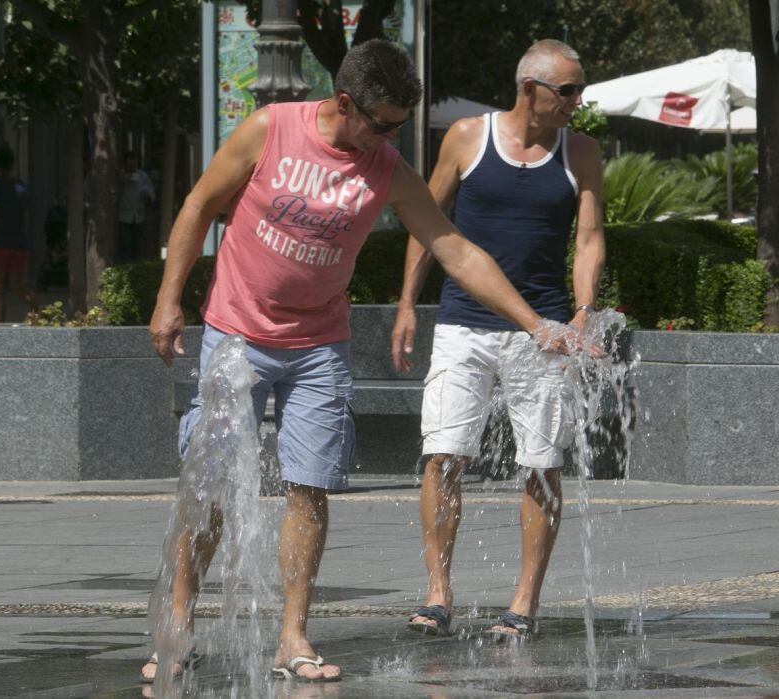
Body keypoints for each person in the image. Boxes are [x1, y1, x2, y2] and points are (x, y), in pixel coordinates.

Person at [144, 39, 583, 684]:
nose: (386, 138)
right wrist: (167, 302)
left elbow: (457, 250)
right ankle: (178, 625)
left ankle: (293, 636)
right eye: (378, 124)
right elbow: (199, 206)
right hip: (235, 333)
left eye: (398, 127)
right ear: (343, 102)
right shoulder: (270, 129)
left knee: (310, 487)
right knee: (209, 482)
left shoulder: (388, 168)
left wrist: (535, 323)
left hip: (320, 343)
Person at [391, 39, 605, 641]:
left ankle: (524, 603)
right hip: (463, 324)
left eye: (578, 89)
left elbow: (588, 238)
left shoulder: (581, 150)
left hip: (546, 333)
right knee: (444, 455)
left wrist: (583, 312)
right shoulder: (465, 137)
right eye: (567, 91)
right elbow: (426, 224)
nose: (576, 101)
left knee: (541, 464)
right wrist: (408, 303)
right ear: (530, 89)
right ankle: (438, 594)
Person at [0, 145, 38, 322]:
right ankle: (39, 310)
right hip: (19, 242)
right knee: (17, 285)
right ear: (13, 164)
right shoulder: (22, 188)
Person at [118, 152, 155, 261]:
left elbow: (151, 193)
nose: (132, 166)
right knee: (126, 245)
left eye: (134, 163)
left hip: (139, 216)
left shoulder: (142, 176)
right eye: (130, 163)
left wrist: (146, 195)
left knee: (137, 246)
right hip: (124, 216)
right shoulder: (120, 175)